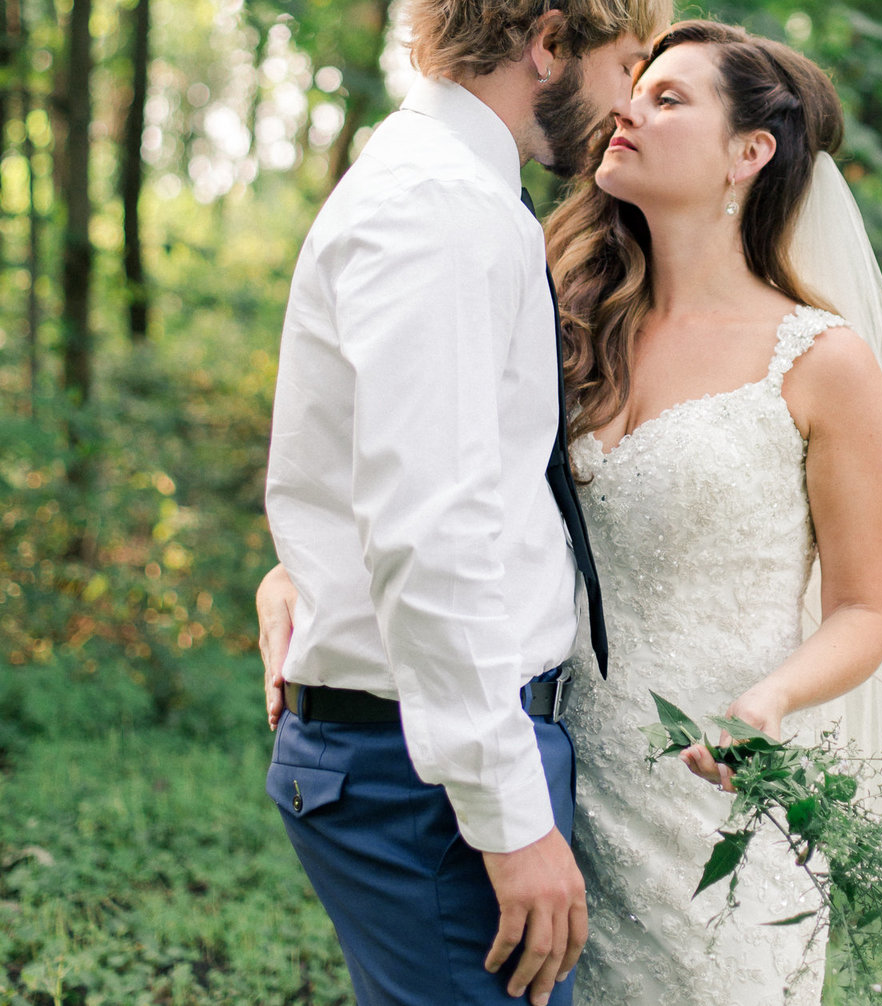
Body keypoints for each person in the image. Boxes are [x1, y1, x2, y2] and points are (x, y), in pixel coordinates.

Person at [261, 18, 882, 1005]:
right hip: (559, 777)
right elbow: (428, 482)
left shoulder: (827, 363)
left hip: (710, 780)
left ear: (750, 152)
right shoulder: (563, 312)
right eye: (634, 83)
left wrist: (765, 705)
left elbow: (863, 610)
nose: (628, 108)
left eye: (668, 96)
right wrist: (304, 575)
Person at [260, 1, 669, 1004]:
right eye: (628, 65)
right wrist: (509, 817)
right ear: (550, 43)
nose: (626, 105)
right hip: (429, 774)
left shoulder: (452, 194)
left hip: (433, 748)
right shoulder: (435, 210)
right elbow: (430, 529)